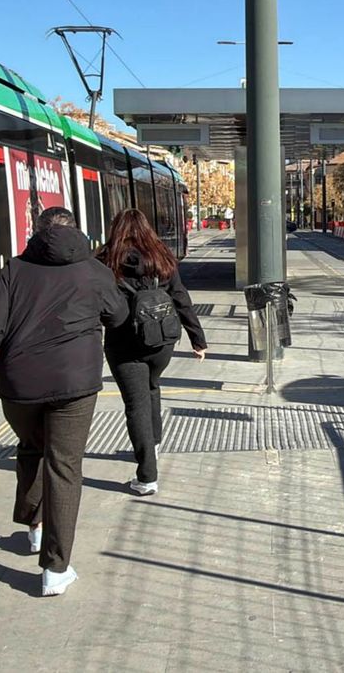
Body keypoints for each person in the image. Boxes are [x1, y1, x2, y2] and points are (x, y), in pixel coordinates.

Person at [0, 206, 127, 597]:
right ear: (77, 231)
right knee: (65, 467)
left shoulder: (14, 270)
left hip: (20, 384)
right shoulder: (94, 270)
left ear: (36, 232)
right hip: (75, 383)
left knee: (32, 448)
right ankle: (55, 569)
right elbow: (118, 316)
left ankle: (34, 527)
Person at [100, 208, 207, 497]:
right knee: (152, 386)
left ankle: (146, 475)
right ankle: (154, 444)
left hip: (123, 343)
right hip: (161, 340)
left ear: (116, 229)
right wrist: (198, 339)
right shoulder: (162, 259)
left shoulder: (104, 260)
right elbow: (181, 298)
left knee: (136, 405)